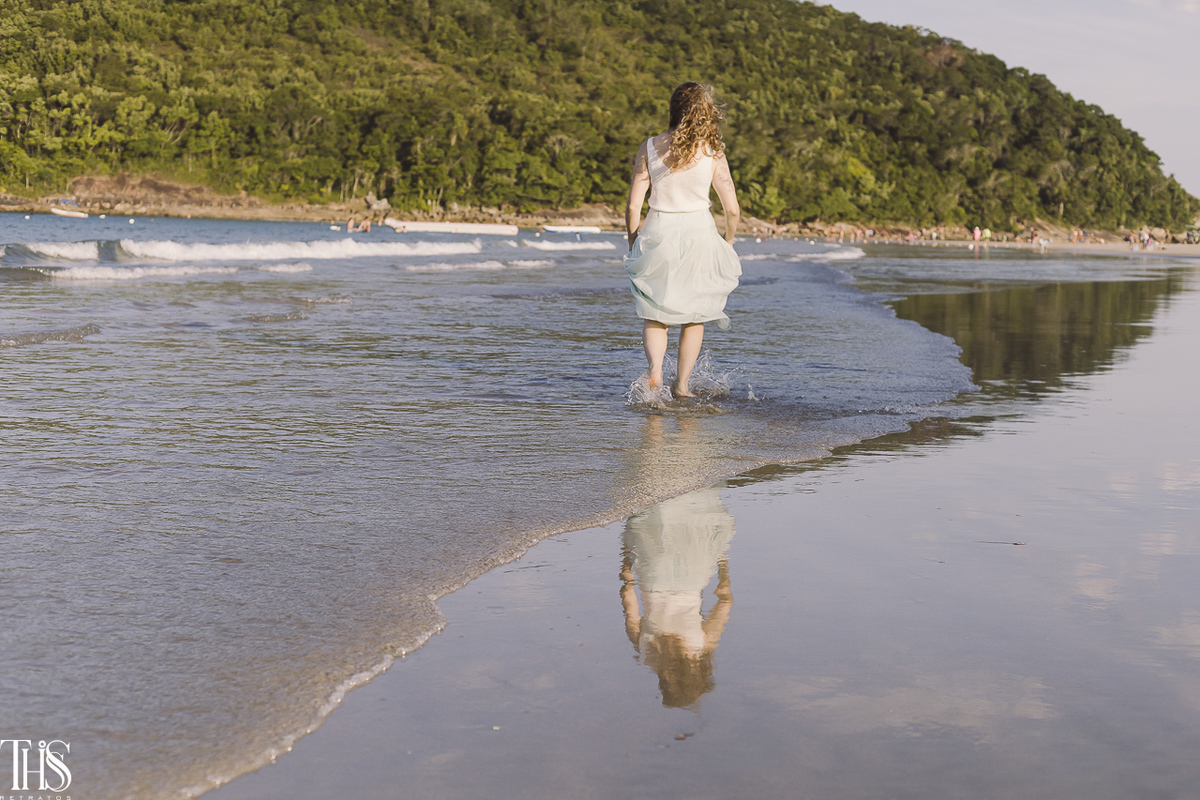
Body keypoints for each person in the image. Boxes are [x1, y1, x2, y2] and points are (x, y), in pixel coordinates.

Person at [624, 82, 742, 398]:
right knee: (695, 316)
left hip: (658, 232)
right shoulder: (713, 151)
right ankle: (683, 386)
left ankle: (655, 372)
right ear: (705, 113)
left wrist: (633, 239)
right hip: (699, 235)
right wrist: (728, 241)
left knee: (655, 312)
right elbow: (732, 209)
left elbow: (635, 204)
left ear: (673, 109)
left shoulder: (650, 146)